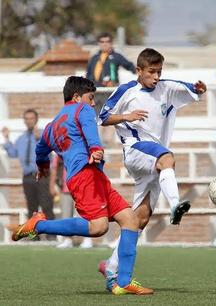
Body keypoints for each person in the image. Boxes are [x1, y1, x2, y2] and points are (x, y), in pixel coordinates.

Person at [11, 76, 153, 295]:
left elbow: (41, 149)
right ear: (77, 97)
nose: (93, 103)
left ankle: (123, 281)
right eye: (91, 97)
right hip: (84, 176)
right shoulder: (82, 109)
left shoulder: (51, 126)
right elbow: (90, 129)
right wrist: (96, 148)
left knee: (130, 219)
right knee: (99, 227)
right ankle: (39, 225)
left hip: (94, 176)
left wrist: (43, 166)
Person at [97, 48, 207, 290]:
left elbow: (190, 88)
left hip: (153, 157)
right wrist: (127, 116)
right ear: (139, 71)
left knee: (139, 220)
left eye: (159, 72)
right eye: (151, 72)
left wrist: (199, 88)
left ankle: (111, 267)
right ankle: (176, 204)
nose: (156, 77)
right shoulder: (127, 90)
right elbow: (103, 117)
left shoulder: (166, 87)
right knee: (168, 158)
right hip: (136, 150)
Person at [2, 109, 55, 223]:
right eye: (26, 119)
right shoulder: (21, 138)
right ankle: (34, 237)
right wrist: (6, 138)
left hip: (42, 175)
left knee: (46, 205)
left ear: (36, 120)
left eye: (31, 118)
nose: (29, 121)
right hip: (27, 177)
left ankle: (51, 236)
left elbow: (49, 153)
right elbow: (13, 153)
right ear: (24, 121)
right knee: (32, 207)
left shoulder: (43, 136)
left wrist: (39, 140)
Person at [49, 155, 93, 249]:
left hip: (80, 188)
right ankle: (67, 240)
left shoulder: (82, 148)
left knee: (82, 216)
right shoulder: (59, 151)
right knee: (66, 216)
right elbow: (54, 168)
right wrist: (52, 185)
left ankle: (87, 239)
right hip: (65, 188)